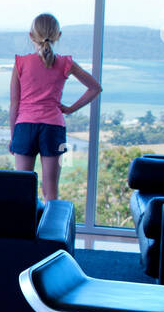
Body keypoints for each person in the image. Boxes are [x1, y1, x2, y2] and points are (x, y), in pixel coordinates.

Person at [9, 13, 101, 200]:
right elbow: (94, 88)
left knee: (23, 188)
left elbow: (14, 104)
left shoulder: (21, 62)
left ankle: (25, 228)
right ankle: (50, 229)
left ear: (30, 35)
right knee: (51, 190)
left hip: (25, 127)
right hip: (54, 129)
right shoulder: (66, 63)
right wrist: (69, 109)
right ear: (58, 35)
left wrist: (14, 136)